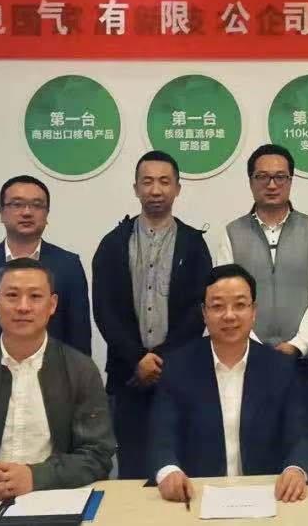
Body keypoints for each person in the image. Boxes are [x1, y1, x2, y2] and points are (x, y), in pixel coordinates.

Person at [0, 258, 115, 499]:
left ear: (52, 305)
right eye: (12, 296)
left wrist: (35, 477)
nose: (23, 307)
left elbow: (98, 455)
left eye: (35, 296)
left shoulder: (80, 370)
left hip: (52, 496)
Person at [149, 264, 308, 504]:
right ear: (204, 313)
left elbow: (302, 435)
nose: (229, 315)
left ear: (253, 311)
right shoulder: (178, 367)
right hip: (196, 498)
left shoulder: (280, 368)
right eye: (218, 306)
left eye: (239, 305)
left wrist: (296, 468)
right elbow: (161, 436)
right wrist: (169, 471)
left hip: (269, 497)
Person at [92, 151, 212, 479]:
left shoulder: (193, 244)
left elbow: (200, 310)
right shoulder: (113, 244)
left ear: (177, 188)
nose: (155, 190)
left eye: (164, 182)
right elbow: (104, 309)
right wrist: (137, 359)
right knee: (132, 469)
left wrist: (160, 360)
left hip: (180, 374)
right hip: (127, 376)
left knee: (180, 466)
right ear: (136, 188)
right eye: (147, 182)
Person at [217, 144, 308, 393]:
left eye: (280, 177)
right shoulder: (232, 232)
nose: (271, 184)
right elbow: (225, 298)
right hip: (247, 361)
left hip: (302, 360)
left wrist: (298, 344)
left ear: (290, 181)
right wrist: (255, 348)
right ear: (250, 181)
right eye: (262, 176)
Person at [0, 175, 90, 361]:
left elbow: (79, 337)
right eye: (17, 204)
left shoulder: (69, 265)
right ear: (2, 213)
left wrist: (78, 377)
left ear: (46, 214)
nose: (27, 212)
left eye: (37, 205)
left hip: (53, 373)